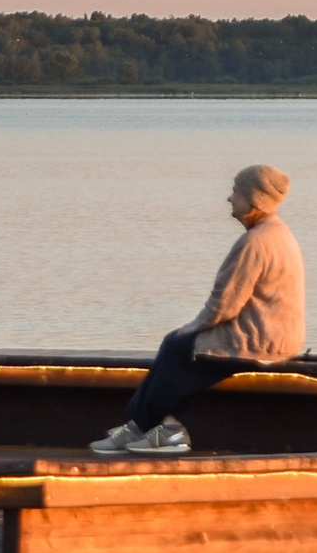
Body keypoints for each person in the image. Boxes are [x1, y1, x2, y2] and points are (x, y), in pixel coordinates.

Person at [93, 164, 305, 455]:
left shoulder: (255, 243)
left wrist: (191, 328)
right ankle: (161, 427)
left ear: (253, 199)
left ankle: (151, 429)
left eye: (236, 192)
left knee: (178, 347)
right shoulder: (278, 234)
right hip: (280, 339)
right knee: (182, 348)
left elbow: (224, 305)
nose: (230, 198)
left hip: (261, 343)